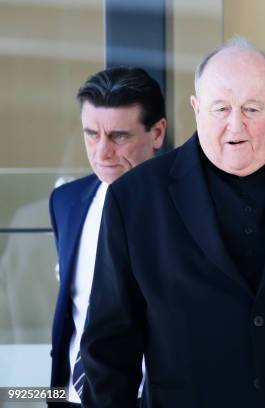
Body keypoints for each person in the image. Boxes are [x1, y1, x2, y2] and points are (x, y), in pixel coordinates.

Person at [80, 38, 265, 408]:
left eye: (251, 108)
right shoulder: (134, 199)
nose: (235, 125)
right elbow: (109, 348)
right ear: (197, 109)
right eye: (221, 108)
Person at [49, 66, 167, 407]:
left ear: (157, 133)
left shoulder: (186, 210)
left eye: (118, 136)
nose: (102, 152)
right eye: (91, 134)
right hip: (73, 396)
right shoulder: (66, 201)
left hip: (151, 396)